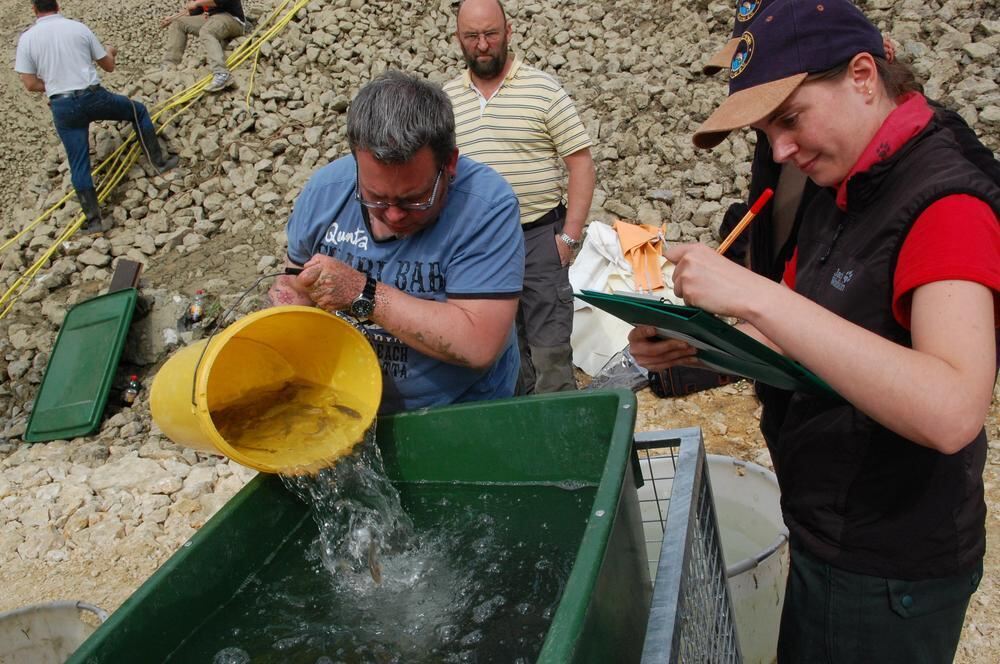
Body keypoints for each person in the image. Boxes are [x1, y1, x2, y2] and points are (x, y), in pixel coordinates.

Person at [630, 0, 999, 661]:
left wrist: (759, 297)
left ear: (863, 76)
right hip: (826, 528)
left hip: (890, 563)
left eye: (791, 120)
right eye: (768, 133)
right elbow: (811, 336)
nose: (781, 151)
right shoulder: (842, 178)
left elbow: (952, 408)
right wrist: (689, 350)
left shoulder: (947, 202)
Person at [268, 70, 524, 415]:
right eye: (374, 198)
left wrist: (363, 294)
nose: (393, 216)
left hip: (461, 412)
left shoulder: (485, 207)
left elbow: (478, 343)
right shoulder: (325, 190)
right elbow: (294, 281)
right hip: (352, 404)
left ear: (449, 164)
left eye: (413, 200)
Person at [443, 0, 596, 395]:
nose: (482, 45)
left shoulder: (542, 90)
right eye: (471, 36)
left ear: (508, 31)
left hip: (540, 239)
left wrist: (569, 238)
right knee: (501, 358)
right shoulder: (446, 102)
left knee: (550, 355)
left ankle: (564, 444)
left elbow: (580, 164)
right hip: (479, 248)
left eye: (490, 34)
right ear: (458, 39)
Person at [15, 0, 179, 234]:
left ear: (34, 9)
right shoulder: (78, 28)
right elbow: (108, 66)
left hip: (63, 105)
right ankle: (159, 164)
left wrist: (55, 86)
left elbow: (30, 84)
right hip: (93, 97)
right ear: (58, 5)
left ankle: (94, 221)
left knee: (78, 162)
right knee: (138, 111)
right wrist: (111, 51)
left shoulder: (27, 39)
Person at [161, 0, 246, 92]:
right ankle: (169, 65)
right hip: (212, 18)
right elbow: (195, 11)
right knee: (178, 23)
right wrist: (172, 18)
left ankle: (221, 73)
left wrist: (197, 3)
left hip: (232, 19)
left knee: (206, 31)